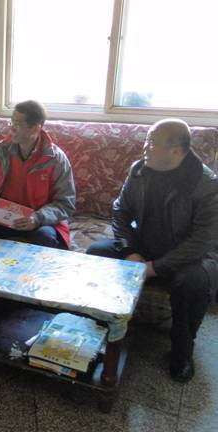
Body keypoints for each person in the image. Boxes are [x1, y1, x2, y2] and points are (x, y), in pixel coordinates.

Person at [87, 119, 218, 383]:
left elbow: (202, 241)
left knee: (192, 282)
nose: (144, 147)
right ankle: (104, 326)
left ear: (175, 151)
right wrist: (130, 252)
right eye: (146, 140)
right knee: (97, 252)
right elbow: (120, 211)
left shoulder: (206, 185)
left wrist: (154, 268)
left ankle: (182, 351)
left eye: (151, 143)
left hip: (189, 257)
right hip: (145, 246)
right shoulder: (139, 171)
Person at [0, 100, 75, 249]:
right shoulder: (0, 151)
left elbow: (65, 203)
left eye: (18, 124)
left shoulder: (56, 159)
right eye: (12, 122)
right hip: (1, 217)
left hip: (39, 222)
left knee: (45, 238)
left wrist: (36, 218)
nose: (11, 129)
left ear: (35, 128)